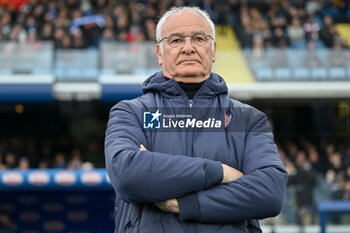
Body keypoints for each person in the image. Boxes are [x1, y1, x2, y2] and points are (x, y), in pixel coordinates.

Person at [105, 6, 287, 233]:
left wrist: (184, 204)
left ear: (213, 50)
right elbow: (127, 176)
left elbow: (269, 194)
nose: (188, 48)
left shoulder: (248, 119)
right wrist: (221, 172)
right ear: (160, 53)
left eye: (199, 39)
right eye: (176, 40)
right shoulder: (130, 113)